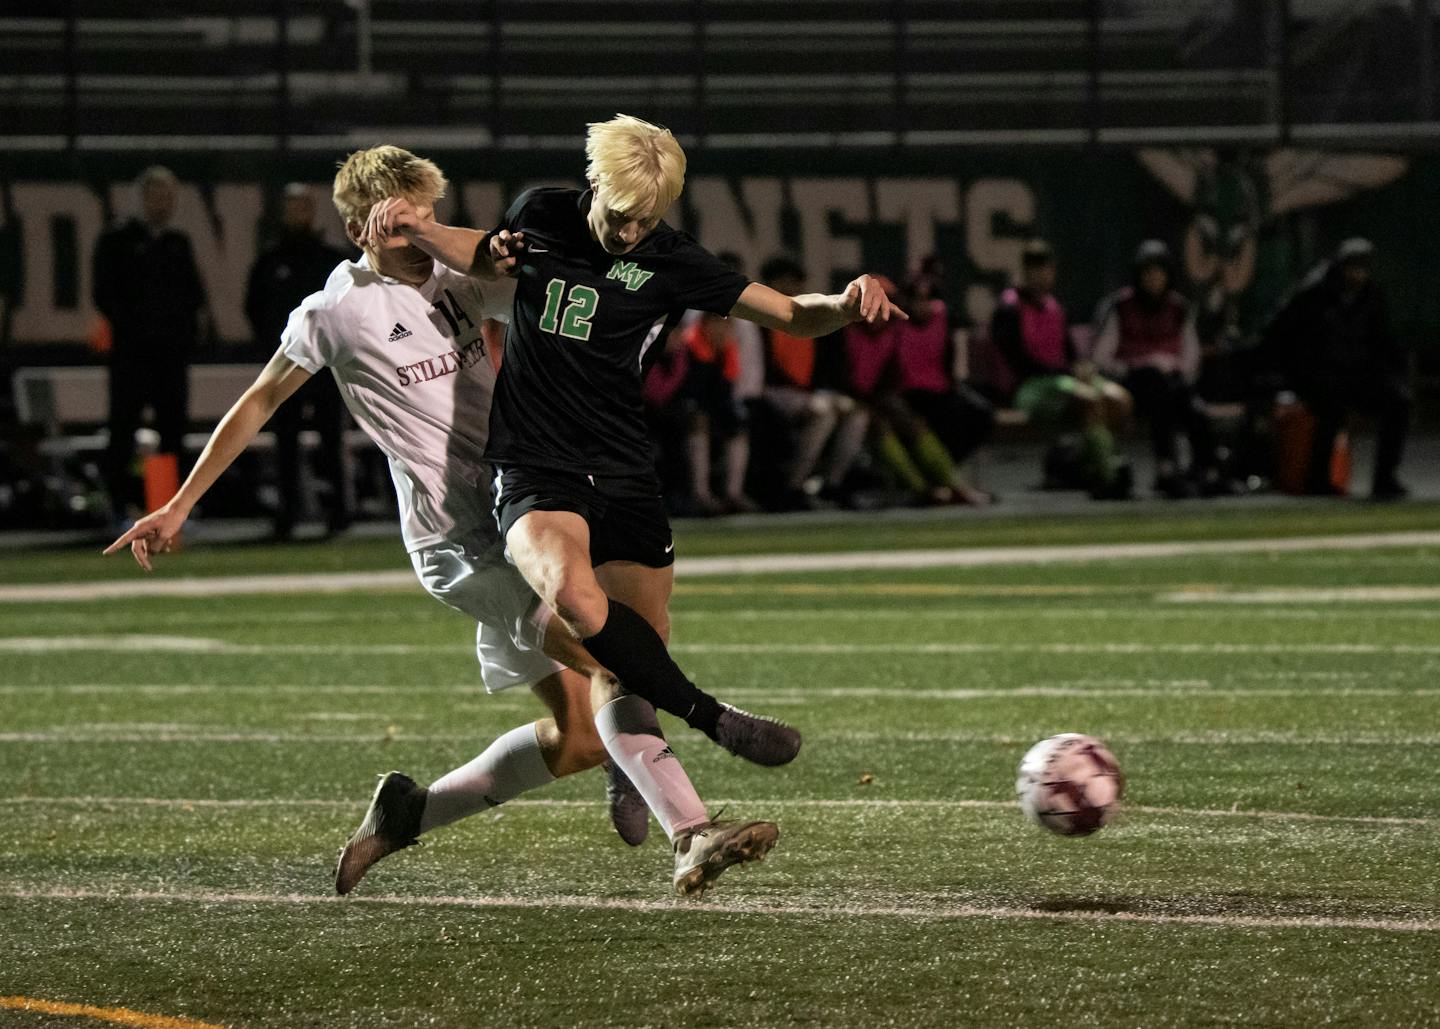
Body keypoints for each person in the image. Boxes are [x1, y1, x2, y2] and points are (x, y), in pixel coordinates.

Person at [105, 146, 782, 901]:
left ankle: (408, 812)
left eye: (428, 213)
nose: (421, 231)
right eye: (402, 222)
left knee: (583, 735)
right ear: (361, 226)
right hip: (456, 543)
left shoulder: (457, 278)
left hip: (514, 504)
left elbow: (558, 302)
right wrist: (180, 502)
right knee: (609, 654)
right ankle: (690, 831)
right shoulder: (335, 311)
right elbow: (259, 399)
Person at [364, 114, 904, 883]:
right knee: (580, 606)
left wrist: (847, 303)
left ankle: (672, 813)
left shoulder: (672, 257)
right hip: (534, 465)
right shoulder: (543, 212)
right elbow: (486, 251)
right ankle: (715, 718)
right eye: (621, 212)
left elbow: (789, 312)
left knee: (629, 652)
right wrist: (422, 226)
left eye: (648, 217)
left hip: (622, 466)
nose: (631, 228)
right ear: (594, 187)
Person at [92, 166, 206, 518]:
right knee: (123, 430)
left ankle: (172, 510)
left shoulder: (177, 243)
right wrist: (137, 328)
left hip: (170, 356)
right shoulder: (116, 241)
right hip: (131, 355)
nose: (162, 203)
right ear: (139, 199)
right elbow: (104, 294)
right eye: (156, 195)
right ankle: (120, 507)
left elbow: (194, 295)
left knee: (173, 432)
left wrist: (179, 333)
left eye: (168, 196)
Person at [1263, 238, 1411, 500]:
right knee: (1330, 404)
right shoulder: (1314, 294)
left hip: (1356, 375)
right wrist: (1295, 374)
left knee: (1397, 401)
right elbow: (1282, 332)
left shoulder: (1371, 295)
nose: (1359, 273)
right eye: (1353, 266)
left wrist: (1391, 374)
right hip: (1318, 376)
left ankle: (1384, 479)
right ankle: (1317, 480)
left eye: (1363, 267)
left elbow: (1382, 341)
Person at [244, 183, 351, 538]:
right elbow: (254, 309)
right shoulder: (270, 260)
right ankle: (287, 516)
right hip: (288, 365)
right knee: (286, 441)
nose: (299, 213)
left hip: (327, 369)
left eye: (305, 206)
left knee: (330, 441)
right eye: (293, 207)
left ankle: (338, 514)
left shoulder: (330, 260)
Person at [990, 241, 1132, 499]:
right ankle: (1107, 473)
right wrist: (1065, 373)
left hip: (1064, 382)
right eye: (1035, 268)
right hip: (1030, 387)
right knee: (1088, 400)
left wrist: (1079, 370)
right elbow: (1018, 361)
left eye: (1046, 268)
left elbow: (1069, 354)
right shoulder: (1009, 308)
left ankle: (1088, 463)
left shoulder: (1055, 308)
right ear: (1025, 271)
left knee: (1119, 400)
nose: (1042, 274)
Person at [1092, 239, 1218, 499]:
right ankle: (1166, 470)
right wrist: (1139, 365)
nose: (1153, 279)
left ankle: (1206, 471)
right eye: (1147, 273)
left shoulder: (1179, 308)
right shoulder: (1121, 307)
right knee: (1156, 386)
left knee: (1194, 408)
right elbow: (1101, 357)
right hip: (1133, 386)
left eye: (1158, 273)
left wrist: (1172, 367)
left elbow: (1190, 358)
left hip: (1172, 385)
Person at [758, 254, 873, 509]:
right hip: (772, 390)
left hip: (807, 392)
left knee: (857, 413)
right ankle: (794, 486)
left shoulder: (808, 313)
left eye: (795, 281)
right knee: (824, 414)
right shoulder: (758, 318)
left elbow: (827, 368)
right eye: (784, 281)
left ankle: (832, 484)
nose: (791, 287)